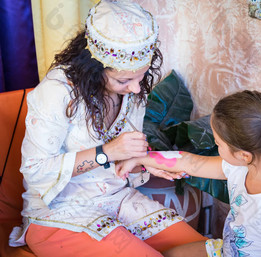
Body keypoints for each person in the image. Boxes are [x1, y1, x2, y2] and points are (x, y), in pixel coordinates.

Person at [9, 1, 207, 256]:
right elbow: (36, 171)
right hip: (58, 210)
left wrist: (143, 162)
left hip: (116, 199)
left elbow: (121, 162)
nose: (136, 89)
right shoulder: (57, 92)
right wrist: (106, 152)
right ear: (93, 68)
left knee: (203, 250)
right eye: (123, 80)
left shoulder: (132, 90)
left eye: (141, 76)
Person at [117, 90, 261, 257]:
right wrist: (139, 158)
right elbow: (190, 162)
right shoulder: (241, 168)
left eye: (218, 143)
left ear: (244, 155)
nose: (215, 146)